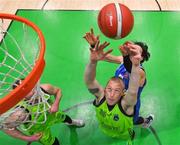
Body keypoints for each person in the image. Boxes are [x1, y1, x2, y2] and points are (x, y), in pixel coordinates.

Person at [83, 28, 154, 127]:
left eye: (135, 51)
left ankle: (145, 121)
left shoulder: (140, 72)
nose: (131, 51)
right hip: (115, 96)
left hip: (129, 102)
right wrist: (94, 46)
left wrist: (126, 57)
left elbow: (132, 72)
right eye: (131, 49)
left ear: (141, 57)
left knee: (133, 120)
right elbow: (104, 56)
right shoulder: (123, 60)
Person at [84, 39, 142, 143]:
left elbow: (133, 91)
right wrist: (92, 62)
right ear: (105, 90)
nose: (111, 94)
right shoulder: (101, 97)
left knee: (129, 137)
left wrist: (136, 66)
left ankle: (129, 140)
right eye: (109, 89)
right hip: (106, 129)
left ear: (123, 93)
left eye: (116, 91)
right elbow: (89, 81)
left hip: (125, 133)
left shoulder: (126, 105)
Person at [2, 80, 85, 145]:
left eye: (29, 86)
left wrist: (56, 104)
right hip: (39, 128)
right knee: (53, 143)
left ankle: (71, 123)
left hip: (52, 114)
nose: (32, 90)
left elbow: (58, 90)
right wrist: (28, 138)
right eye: (26, 91)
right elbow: (5, 127)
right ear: (21, 96)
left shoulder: (44, 88)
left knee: (65, 117)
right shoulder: (20, 113)